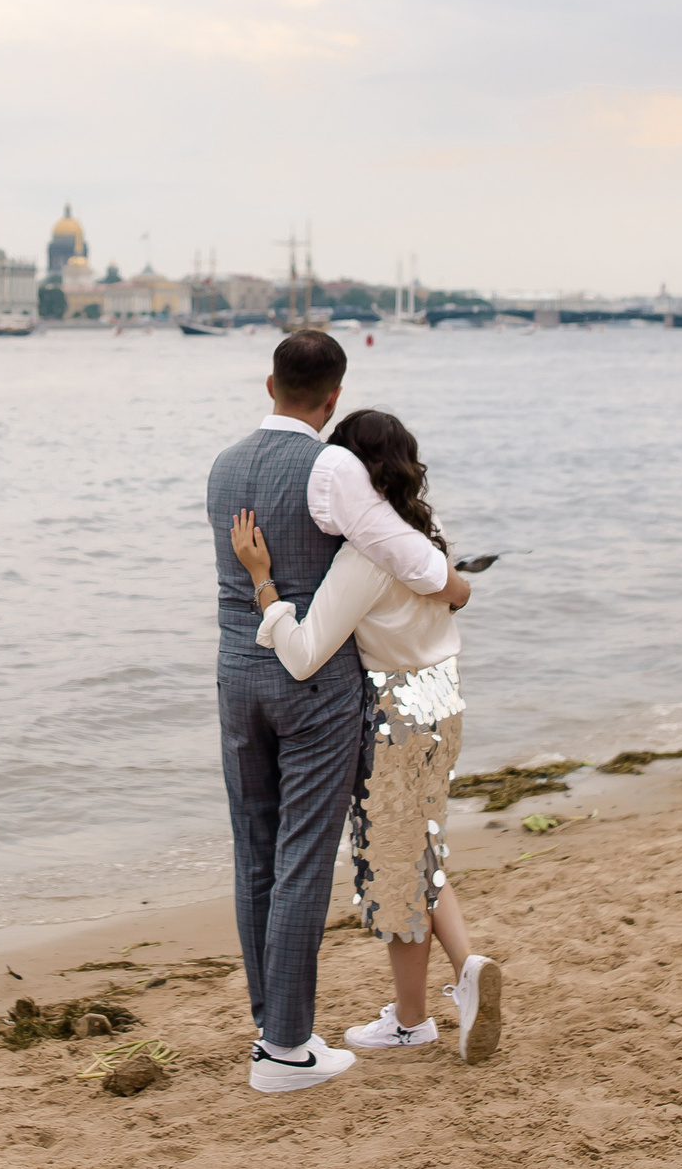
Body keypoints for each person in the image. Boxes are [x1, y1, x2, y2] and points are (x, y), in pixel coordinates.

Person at [204, 330, 474, 1094]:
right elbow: (406, 555)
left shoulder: (223, 465)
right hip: (311, 686)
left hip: (236, 676)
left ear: (269, 384)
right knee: (301, 858)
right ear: (333, 396)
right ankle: (287, 1047)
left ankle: (273, 1032)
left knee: (254, 853)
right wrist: (453, 584)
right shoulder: (332, 467)